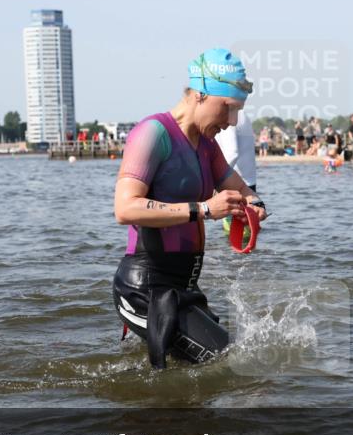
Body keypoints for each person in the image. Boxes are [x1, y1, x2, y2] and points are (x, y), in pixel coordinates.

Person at [112, 48, 267, 369]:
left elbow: (238, 187)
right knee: (229, 363)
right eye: (228, 109)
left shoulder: (207, 145)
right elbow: (125, 208)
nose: (232, 121)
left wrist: (254, 204)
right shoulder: (153, 133)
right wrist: (204, 210)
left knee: (207, 374)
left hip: (185, 287)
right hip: (146, 290)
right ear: (199, 95)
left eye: (237, 112)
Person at [215, 109, 258, 235]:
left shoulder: (228, 116)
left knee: (235, 236)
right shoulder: (242, 114)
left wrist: (216, 181)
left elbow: (232, 153)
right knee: (246, 233)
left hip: (233, 183)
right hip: (248, 182)